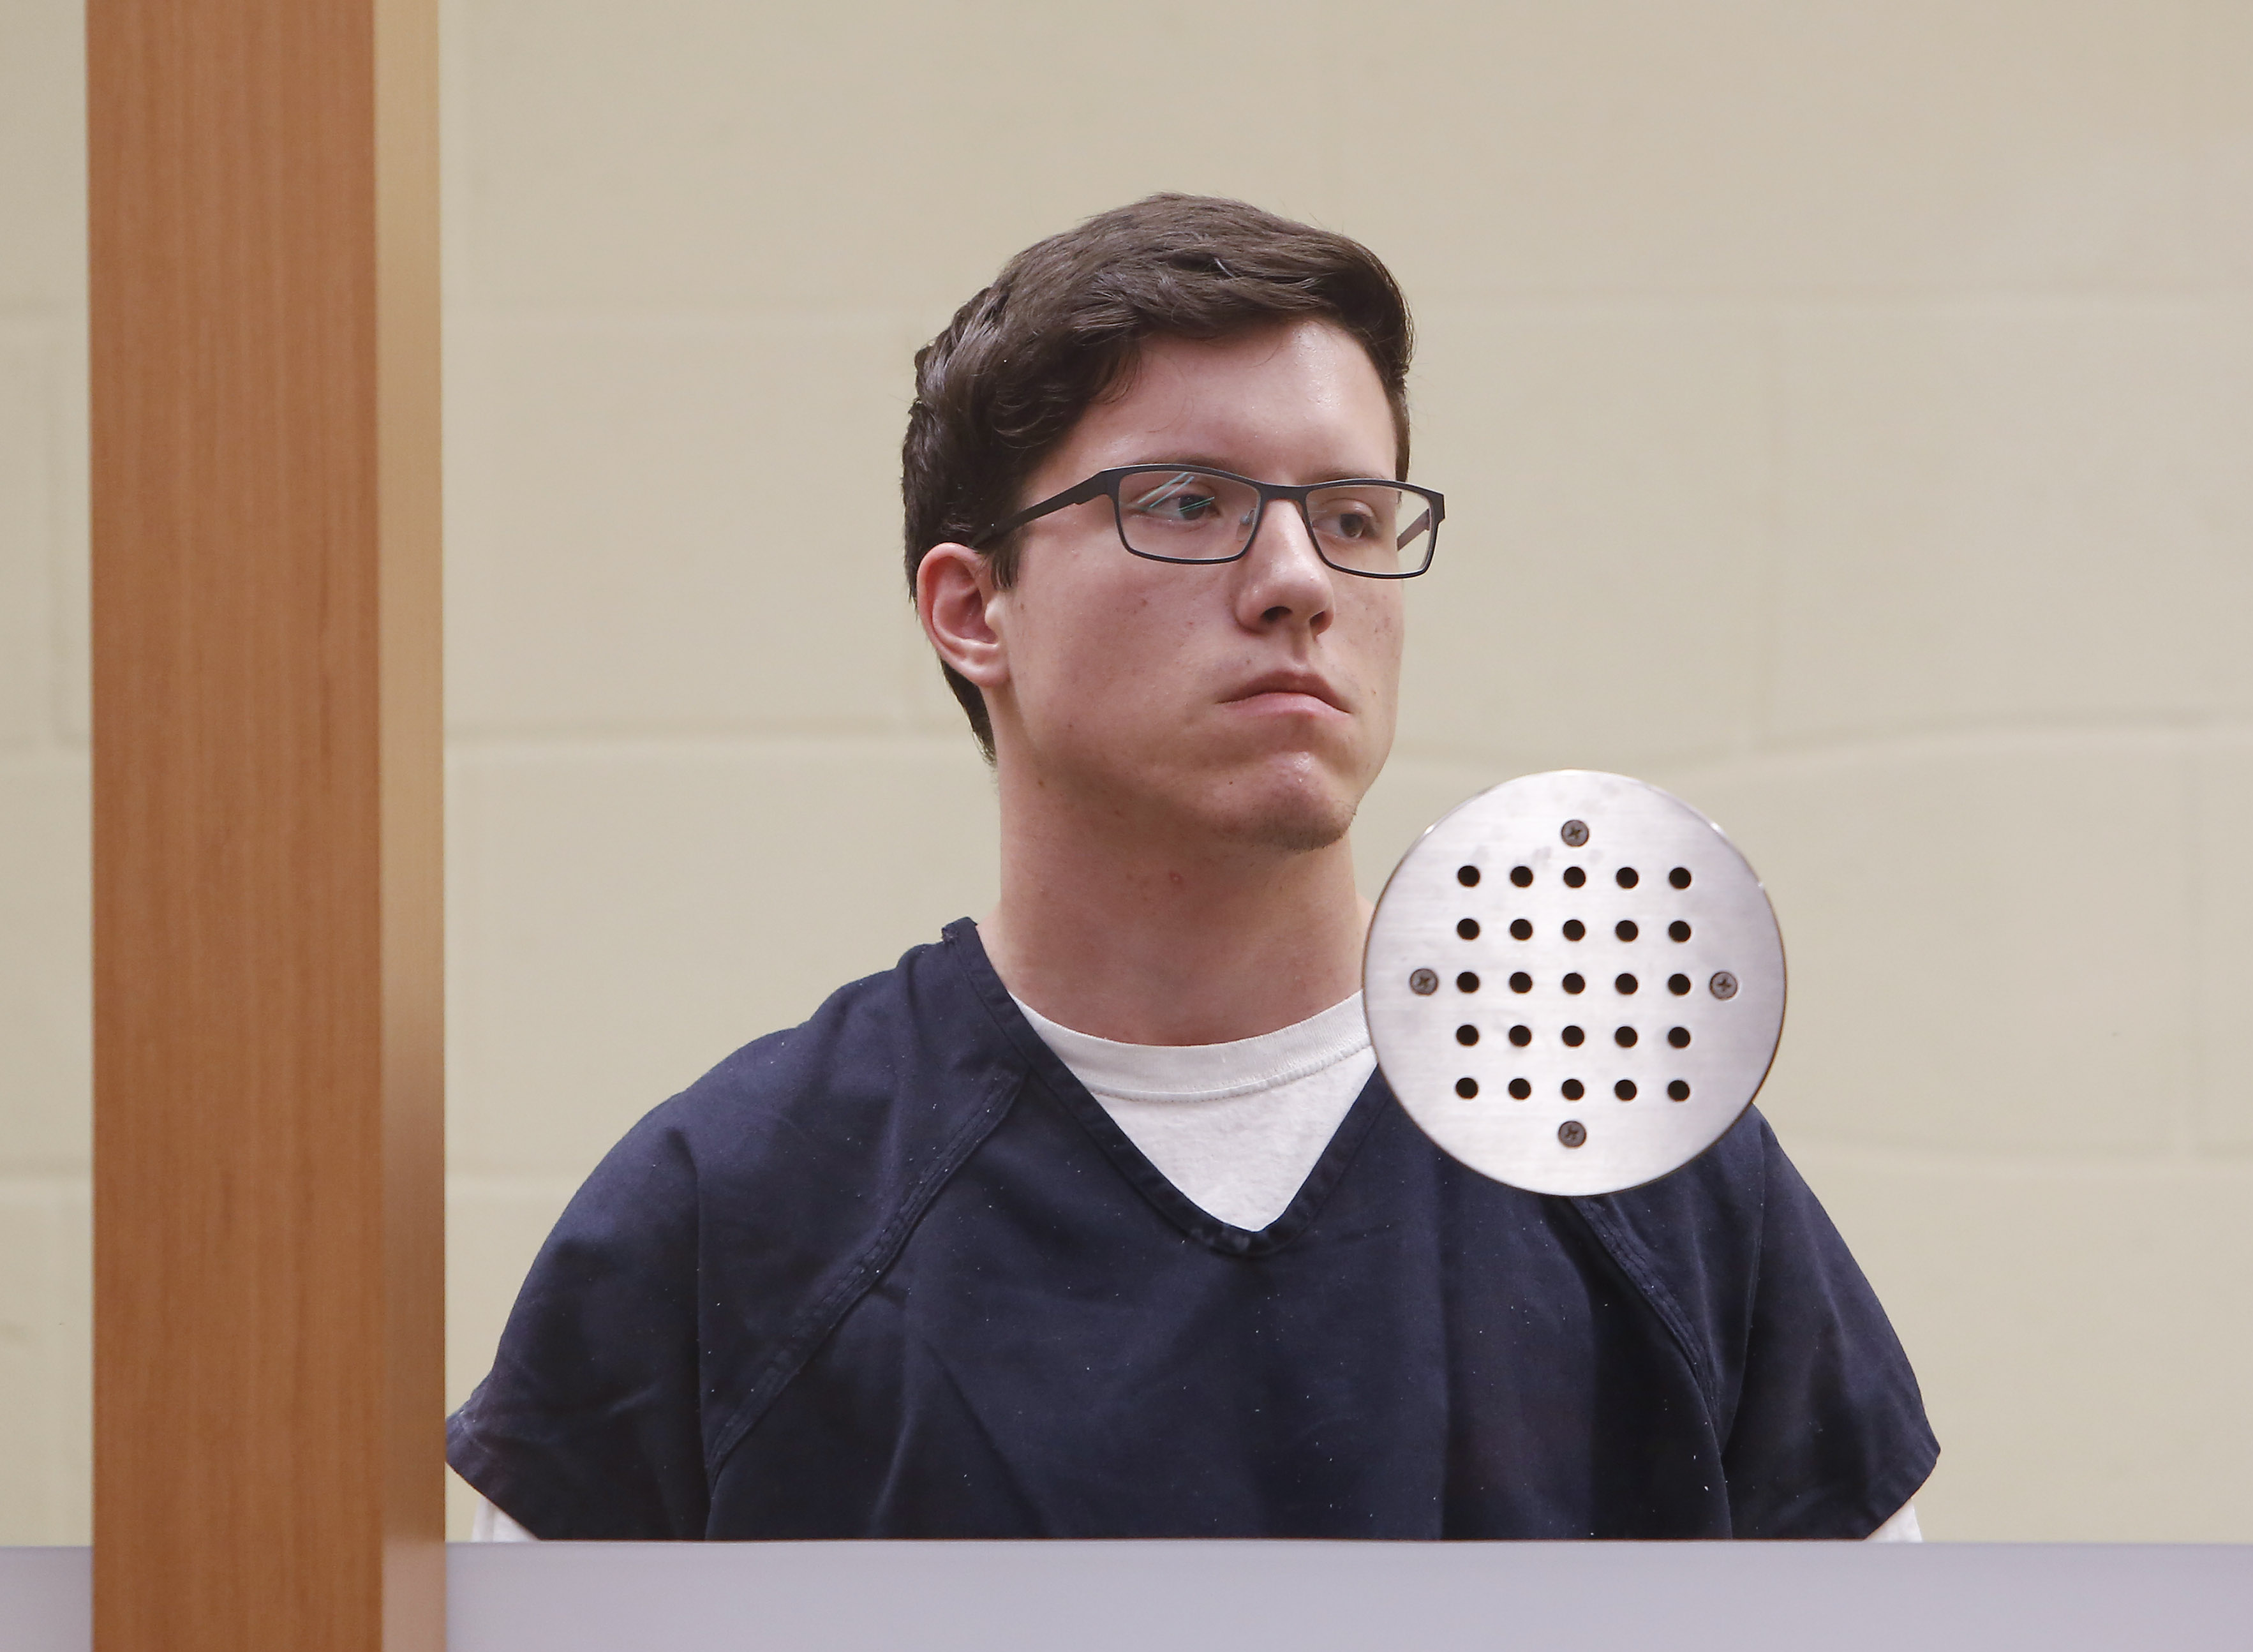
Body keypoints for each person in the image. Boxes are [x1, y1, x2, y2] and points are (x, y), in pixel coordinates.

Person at [448, 193, 1937, 1542]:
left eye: (1350, 517)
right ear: (973, 610)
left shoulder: (1634, 1156)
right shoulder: (735, 1206)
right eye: (1185, 504)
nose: (1297, 580)